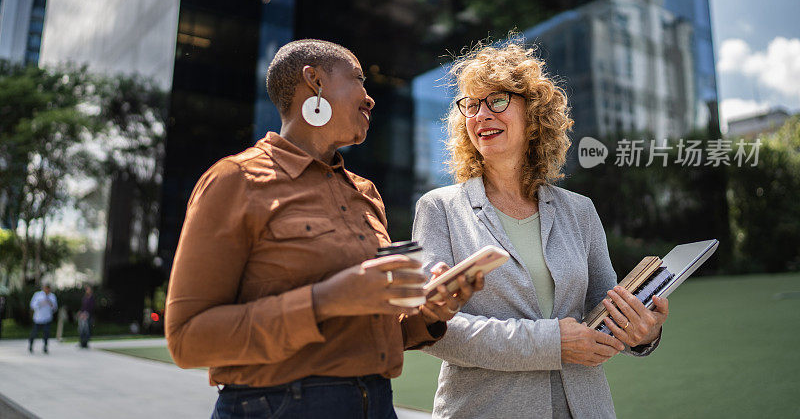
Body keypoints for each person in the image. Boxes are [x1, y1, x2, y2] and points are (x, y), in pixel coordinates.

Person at [165, 39, 482, 419]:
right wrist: (324, 300)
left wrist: (429, 313)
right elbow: (187, 340)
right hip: (278, 406)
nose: (370, 98)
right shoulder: (235, 181)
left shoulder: (366, 194)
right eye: (359, 80)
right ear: (314, 82)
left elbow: (371, 331)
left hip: (377, 404)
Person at [413, 39, 669, 418]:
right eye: (471, 104)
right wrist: (551, 343)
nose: (481, 114)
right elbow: (431, 328)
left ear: (533, 116)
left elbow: (604, 307)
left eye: (497, 100)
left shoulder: (580, 211)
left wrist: (643, 332)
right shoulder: (439, 209)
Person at [29, 284, 58, 354]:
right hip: (38, 318)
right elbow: (32, 305)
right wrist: (40, 303)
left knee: (46, 333)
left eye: (48, 289)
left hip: (47, 318)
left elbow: (55, 308)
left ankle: (45, 347)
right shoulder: (37, 295)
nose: (47, 290)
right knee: (34, 333)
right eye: (46, 289)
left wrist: (50, 303)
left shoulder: (52, 296)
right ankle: (31, 345)